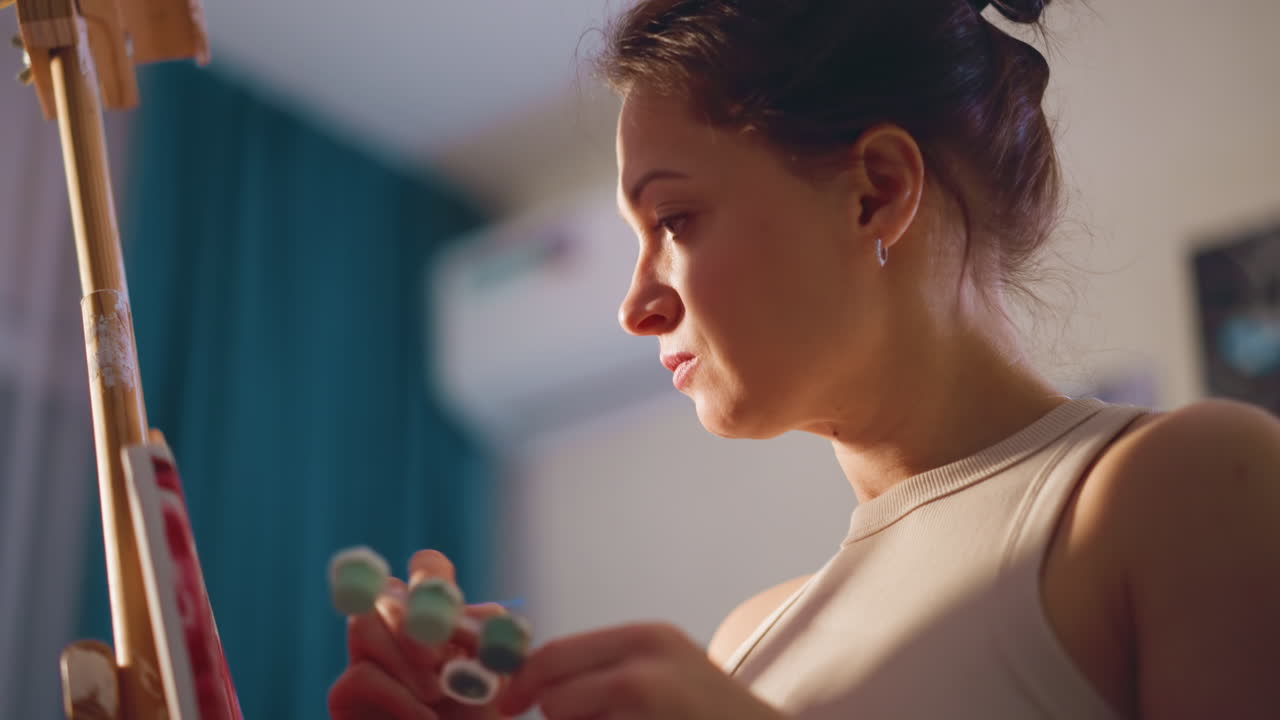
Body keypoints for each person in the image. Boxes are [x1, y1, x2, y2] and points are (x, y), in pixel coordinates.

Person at [329, 0, 1280, 718]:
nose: (634, 305)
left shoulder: (1186, 490)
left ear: (876, 191)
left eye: (675, 221)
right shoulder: (747, 642)